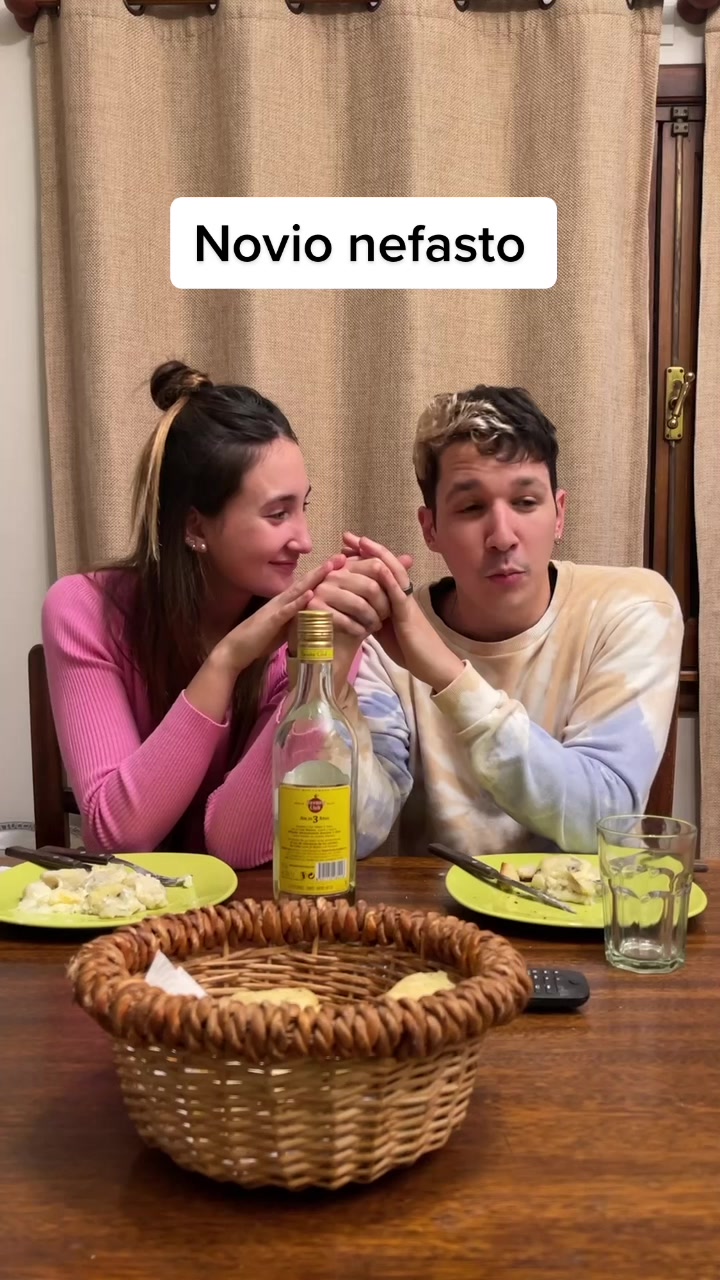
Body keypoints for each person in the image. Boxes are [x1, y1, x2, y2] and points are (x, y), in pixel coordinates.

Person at [41, 361, 412, 864]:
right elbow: (118, 835)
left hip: (244, 907)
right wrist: (226, 662)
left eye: (303, 507)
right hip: (128, 907)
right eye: (277, 514)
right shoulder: (84, 610)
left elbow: (236, 844)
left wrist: (324, 664)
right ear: (196, 527)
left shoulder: (296, 638)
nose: (304, 540)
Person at [326, 385, 684, 856]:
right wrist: (326, 675)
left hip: (583, 903)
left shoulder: (630, 608)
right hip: (437, 903)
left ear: (559, 514)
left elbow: (601, 820)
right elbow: (354, 834)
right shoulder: (387, 642)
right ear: (431, 529)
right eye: (471, 508)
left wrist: (449, 677)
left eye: (525, 502)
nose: (501, 536)